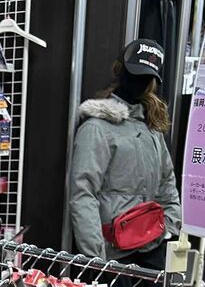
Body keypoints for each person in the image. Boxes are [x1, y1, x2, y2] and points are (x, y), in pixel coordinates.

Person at [69, 38, 182, 272]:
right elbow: (83, 193)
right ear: (120, 70)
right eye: (135, 74)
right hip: (112, 254)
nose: (139, 82)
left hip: (151, 250)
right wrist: (96, 259)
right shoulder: (97, 128)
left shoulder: (151, 129)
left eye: (146, 77)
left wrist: (168, 229)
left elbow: (167, 183)